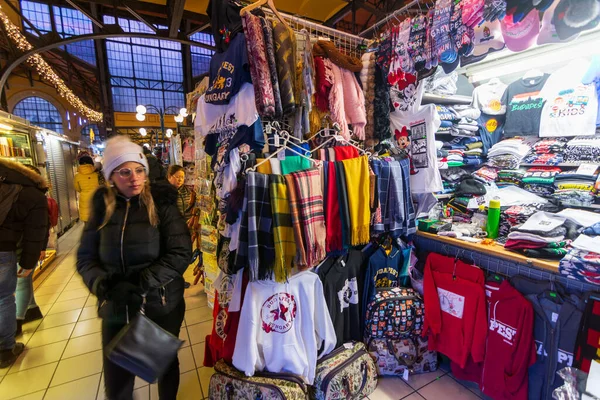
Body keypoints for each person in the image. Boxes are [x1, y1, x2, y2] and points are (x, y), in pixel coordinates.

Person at [77, 136, 191, 400]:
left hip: (161, 304)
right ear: (111, 176)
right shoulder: (102, 207)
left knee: (163, 365)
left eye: (139, 170)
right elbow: (85, 258)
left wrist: (141, 282)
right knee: (117, 379)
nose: (134, 178)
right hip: (116, 305)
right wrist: (102, 284)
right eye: (124, 172)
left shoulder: (161, 204)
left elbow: (179, 253)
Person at [0, 159, 48, 368]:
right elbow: (35, 230)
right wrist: (29, 262)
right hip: (4, 249)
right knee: (3, 298)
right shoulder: (31, 192)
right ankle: (5, 348)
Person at [15, 165, 51, 336]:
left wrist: (41, 247)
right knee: (24, 281)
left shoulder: (16, 193)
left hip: (20, 246)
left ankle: (17, 322)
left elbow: (40, 226)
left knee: (21, 282)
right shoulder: (37, 195)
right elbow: (41, 226)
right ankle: (32, 308)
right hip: (24, 245)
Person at [74, 154, 100, 222]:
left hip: (84, 200)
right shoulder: (97, 174)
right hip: (96, 198)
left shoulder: (77, 176)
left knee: (87, 223)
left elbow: (77, 188)